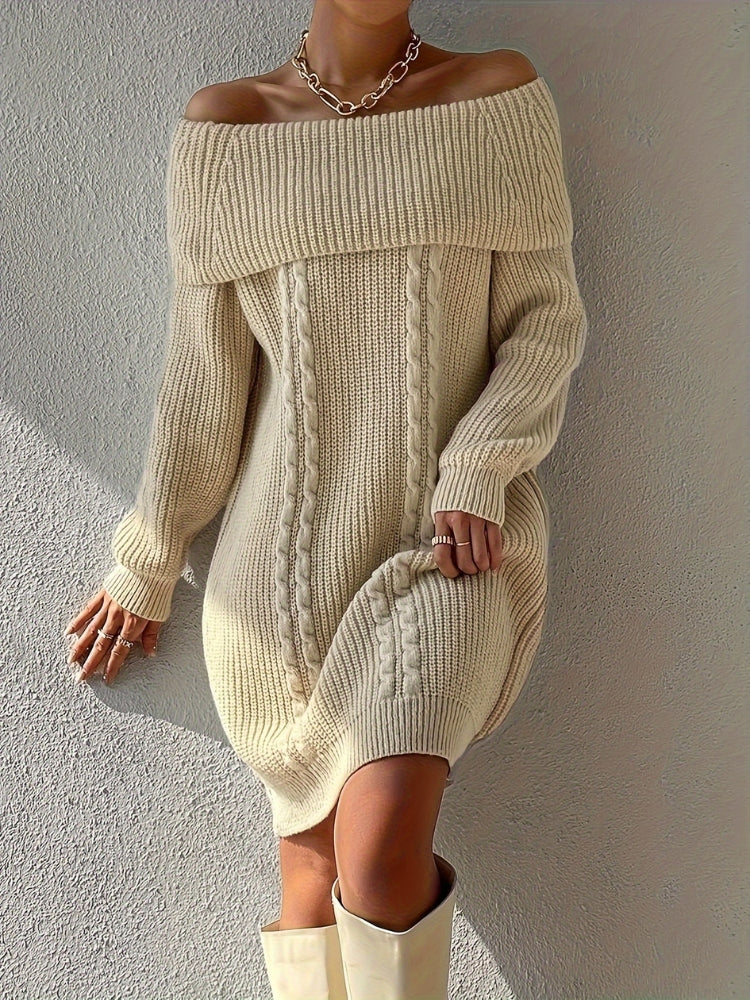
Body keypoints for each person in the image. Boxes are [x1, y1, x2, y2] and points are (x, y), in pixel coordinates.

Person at [64, 1, 588, 996]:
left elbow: (546, 323)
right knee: (309, 893)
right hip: (278, 582)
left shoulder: (497, 97)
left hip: (448, 554)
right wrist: (149, 558)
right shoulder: (227, 131)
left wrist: (480, 463)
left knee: (378, 857)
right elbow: (204, 386)